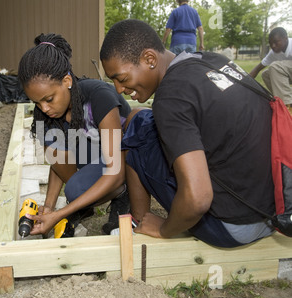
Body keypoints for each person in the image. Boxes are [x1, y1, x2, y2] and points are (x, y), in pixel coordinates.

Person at [100, 19, 275, 248]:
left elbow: (197, 199)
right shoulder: (211, 60)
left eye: (121, 78)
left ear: (150, 59)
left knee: (136, 133)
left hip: (233, 227)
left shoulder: (171, 98)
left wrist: (164, 229)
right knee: (140, 117)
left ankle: (141, 224)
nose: (118, 89)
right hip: (274, 210)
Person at [18, 33, 132, 236]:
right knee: (53, 146)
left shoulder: (98, 97)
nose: (44, 108)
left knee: (75, 190)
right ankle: (85, 202)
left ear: (67, 81)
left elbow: (116, 171)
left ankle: (123, 193)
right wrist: (49, 208)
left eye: (49, 99)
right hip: (95, 155)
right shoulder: (49, 113)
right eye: (37, 103)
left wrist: (61, 213)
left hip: (125, 161)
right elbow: (57, 163)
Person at [249, 27, 292, 109]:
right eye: (271, 43)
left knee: (275, 66)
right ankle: (281, 100)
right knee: (266, 74)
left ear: (285, 38)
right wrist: (244, 81)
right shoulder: (274, 53)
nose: (273, 46)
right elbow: (258, 68)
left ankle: (288, 105)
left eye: (276, 42)